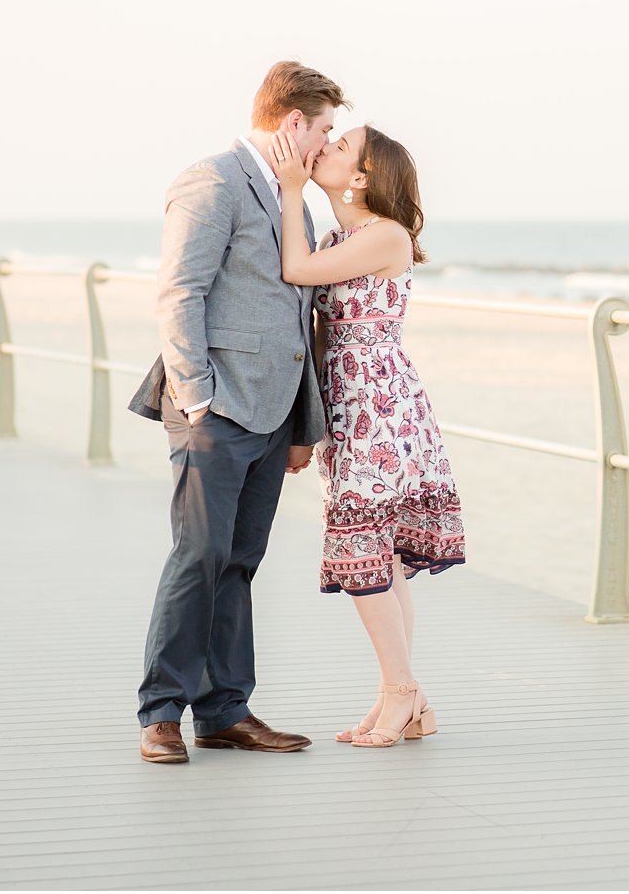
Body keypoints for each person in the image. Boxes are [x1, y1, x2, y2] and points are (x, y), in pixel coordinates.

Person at [127, 61, 346, 765]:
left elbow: (294, 310)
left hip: (274, 412)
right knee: (201, 554)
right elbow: (178, 293)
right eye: (324, 131)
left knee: (240, 562)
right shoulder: (213, 179)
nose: (325, 146)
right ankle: (161, 712)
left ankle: (224, 710)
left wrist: (301, 423)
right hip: (215, 410)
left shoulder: (295, 200)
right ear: (292, 124)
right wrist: (197, 396)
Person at [271, 124, 465, 750]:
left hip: (380, 405)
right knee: (380, 560)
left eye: (339, 146)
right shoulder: (342, 235)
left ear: (361, 178)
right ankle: (409, 699)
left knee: (365, 558)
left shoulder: (384, 233)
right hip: (353, 404)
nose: (323, 147)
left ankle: (401, 692)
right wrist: (310, 426)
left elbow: (296, 271)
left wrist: (291, 187)